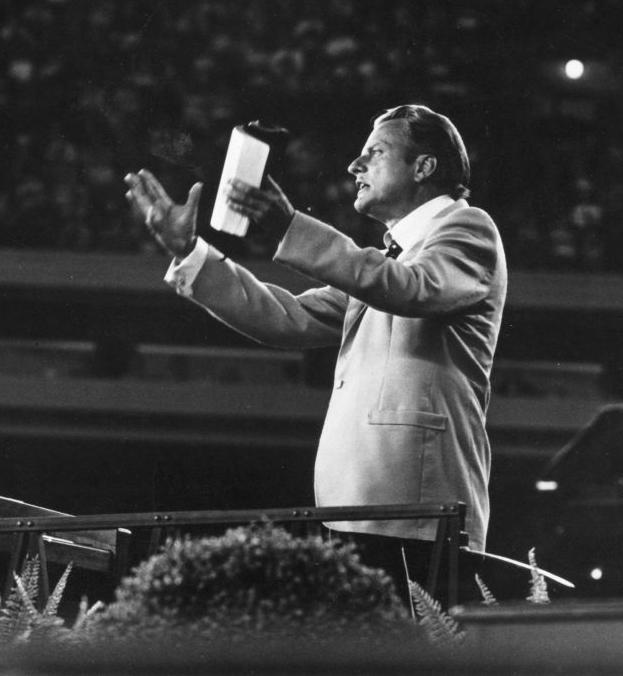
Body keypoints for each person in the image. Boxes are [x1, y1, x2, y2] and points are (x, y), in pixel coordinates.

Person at [124, 105, 507, 602]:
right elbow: (285, 317)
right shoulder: (387, 260)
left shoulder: (468, 229)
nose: (355, 166)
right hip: (359, 511)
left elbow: (409, 288)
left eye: (375, 152)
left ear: (424, 167)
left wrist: (290, 227)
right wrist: (189, 251)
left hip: (417, 517)